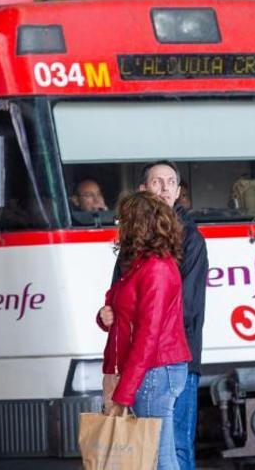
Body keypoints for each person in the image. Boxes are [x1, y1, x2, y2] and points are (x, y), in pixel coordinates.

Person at [98, 160, 209, 470]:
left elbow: (152, 330)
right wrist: (105, 315)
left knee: (162, 457)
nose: (120, 225)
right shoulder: (137, 257)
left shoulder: (159, 266)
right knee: (159, 455)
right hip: (150, 365)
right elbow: (118, 302)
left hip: (157, 366)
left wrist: (125, 389)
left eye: (126, 219)